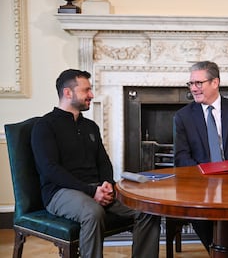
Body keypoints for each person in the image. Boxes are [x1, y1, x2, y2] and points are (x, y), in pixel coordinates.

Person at [31, 69, 161, 258]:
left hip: (97, 189)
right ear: (68, 93)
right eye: (86, 90)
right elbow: (50, 170)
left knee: (148, 209)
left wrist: (107, 184)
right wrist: (91, 191)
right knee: (93, 212)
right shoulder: (45, 126)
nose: (91, 95)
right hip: (59, 192)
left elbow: (103, 162)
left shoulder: (90, 126)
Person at [174, 61, 228, 251]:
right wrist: (205, 177)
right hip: (200, 184)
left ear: (215, 82)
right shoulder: (183, 116)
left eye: (198, 83)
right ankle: (220, 250)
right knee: (198, 207)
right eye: (191, 84)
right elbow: (182, 158)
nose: (193, 89)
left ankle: (226, 249)